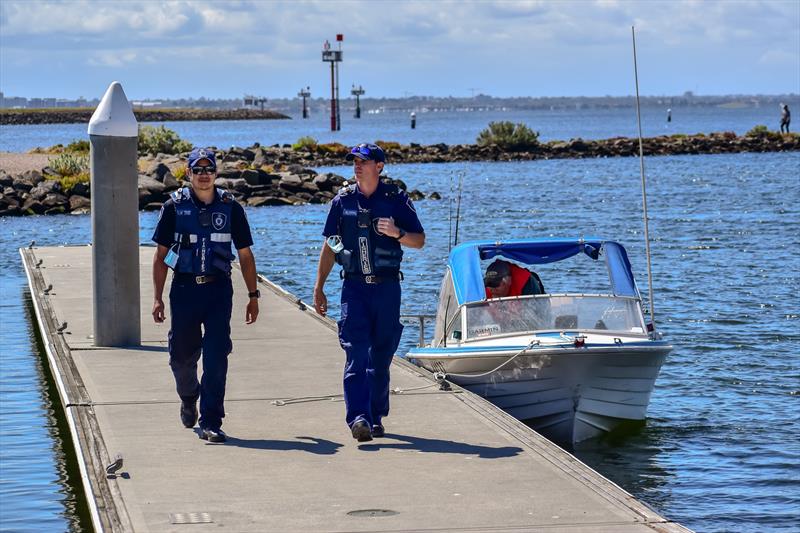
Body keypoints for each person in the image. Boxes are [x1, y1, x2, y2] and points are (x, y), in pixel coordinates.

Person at [313, 143, 425, 442]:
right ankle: (358, 418)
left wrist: (397, 233)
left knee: (381, 357)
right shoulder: (342, 201)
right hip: (354, 288)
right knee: (356, 353)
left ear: (379, 166)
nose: (357, 165)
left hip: (387, 288)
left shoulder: (396, 199)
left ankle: (375, 416)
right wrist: (319, 286)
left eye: (364, 161)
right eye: (355, 161)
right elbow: (329, 245)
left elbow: (419, 241)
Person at [151, 147, 260, 443]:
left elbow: (246, 255)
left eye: (208, 169)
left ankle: (211, 420)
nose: (203, 175)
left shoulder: (231, 208)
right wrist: (158, 297)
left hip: (218, 290)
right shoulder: (173, 208)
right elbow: (160, 257)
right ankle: (189, 397)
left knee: (216, 357)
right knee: (181, 356)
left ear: (216, 173)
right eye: (197, 170)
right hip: (184, 290)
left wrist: (253, 295)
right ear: (188, 174)